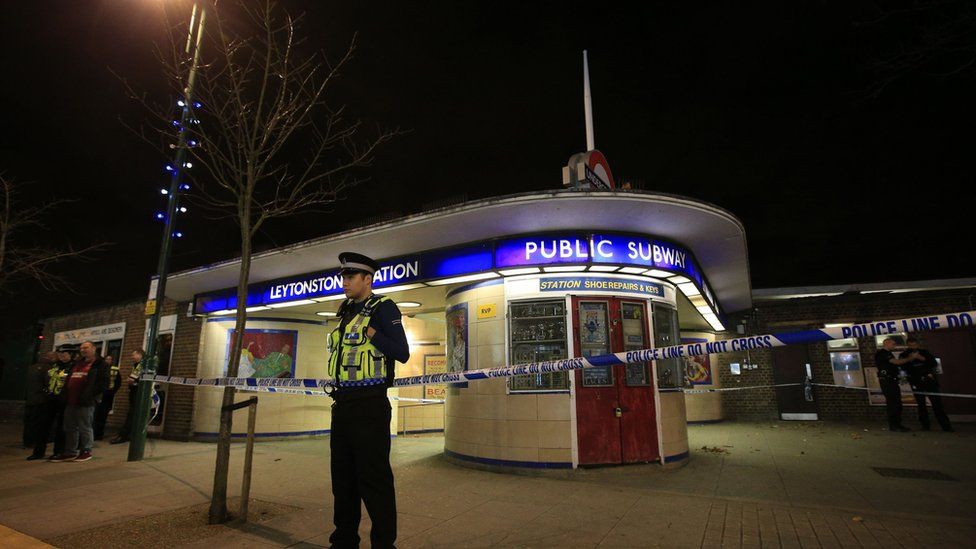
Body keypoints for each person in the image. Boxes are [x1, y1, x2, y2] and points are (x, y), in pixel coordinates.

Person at [327, 252, 410, 549]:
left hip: (370, 406)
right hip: (342, 406)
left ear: (367, 279)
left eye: (350, 277)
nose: (345, 282)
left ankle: (383, 544)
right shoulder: (345, 309)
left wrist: (373, 333)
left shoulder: (384, 308)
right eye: (343, 277)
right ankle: (343, 541)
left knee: (374, 481)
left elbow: (401, 351)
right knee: (343, 481)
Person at [50, 341, 109, 462]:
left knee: (85, 426)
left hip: (86, 401)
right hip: (71, 400)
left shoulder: (100, 364)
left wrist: (89, 395)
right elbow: (69, 379)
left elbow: (103, 384)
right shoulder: (78, 363)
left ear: (93, 348)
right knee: (70, 427)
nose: (83, 350)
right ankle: (70, 451)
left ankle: (86, 450)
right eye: (81, 348)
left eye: (86, 347)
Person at [901, 337, 953, 432]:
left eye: (914, 345)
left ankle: (946, 426)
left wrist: (920, 358)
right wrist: (910, 358)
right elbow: (903, 366)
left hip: (929, 380)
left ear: (917, 344)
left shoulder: (925, 352)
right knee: (921, 405)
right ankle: (925, 426)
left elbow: (933, 363)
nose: (913, 347)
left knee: (937, 404)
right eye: (910, 345)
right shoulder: (904, 354)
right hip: (916, 381)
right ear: (907, 345)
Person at [874, 338, 922, 432]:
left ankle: (897, 424)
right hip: (887, 381)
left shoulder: (887, 353)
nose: (894, 346)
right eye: (893, 344)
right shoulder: (882, 353)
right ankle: (894, 425)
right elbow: (896, 362)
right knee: (893, 403)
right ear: (886, 343)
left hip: (891, 380)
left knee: (897, 403)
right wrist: (911, 358)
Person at [24, 351, 58, 459]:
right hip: (41, 400)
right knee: (40, 423)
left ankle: (28, 440)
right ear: (51, 358)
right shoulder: (48, 368)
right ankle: (35, 441)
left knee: (30, 421)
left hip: (31, 399)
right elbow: (49, 384)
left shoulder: (32, 367)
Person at [111, 349, 145, 444]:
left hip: (138, 394)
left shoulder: (141, 365)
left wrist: (131, 380)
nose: (132, 357)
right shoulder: (137, 365)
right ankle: (129, 434)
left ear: (140, 355)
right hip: (135, 393)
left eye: (133, 355)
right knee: (132, 415)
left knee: (132, 415)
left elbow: (131, 379)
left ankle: (124, 435)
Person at [93, 355, 122, 440]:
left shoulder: (115, 369)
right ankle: (95, 433)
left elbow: (118, 382)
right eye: (107, 359)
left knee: (103, 415)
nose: (109, 361)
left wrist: (113, 391)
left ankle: (99, 434)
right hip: (100, 394)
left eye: (110, 359)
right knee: (96, 414)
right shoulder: (99, 369)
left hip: (108, 394)